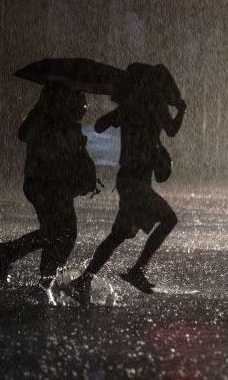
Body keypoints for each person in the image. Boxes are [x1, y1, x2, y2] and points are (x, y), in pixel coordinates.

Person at [70, 64, 185, 300]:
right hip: (136, 182)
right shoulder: (154, 107)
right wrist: (181, 109)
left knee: (118, 236)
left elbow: (100, 125)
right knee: (168, 219)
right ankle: (136, 270)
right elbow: (172, 130)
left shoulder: (133, 106)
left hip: (131, 179)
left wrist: (119, 117)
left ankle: (84, 279)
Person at [0, 83, 97, 305]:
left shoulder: (57, 122)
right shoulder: (50, 122)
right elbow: (55, 157)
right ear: (64, 100)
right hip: (47, 185)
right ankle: (40, 278)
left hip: (51, 185)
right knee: (61, 233)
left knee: (59, 232)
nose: (84, 104)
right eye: (80, 98)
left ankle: (24, 265)